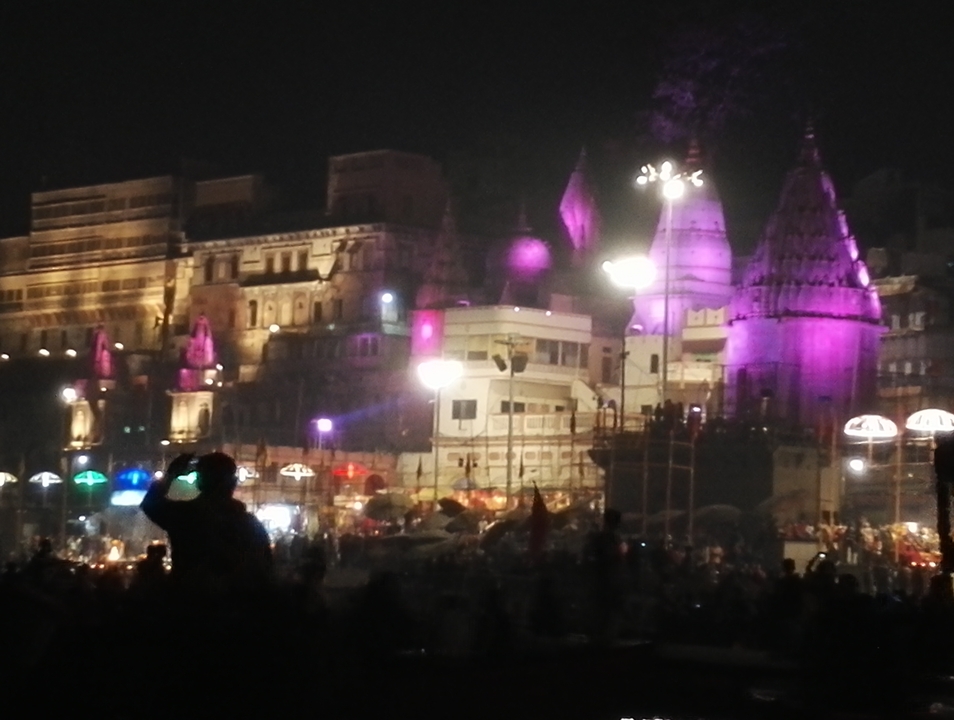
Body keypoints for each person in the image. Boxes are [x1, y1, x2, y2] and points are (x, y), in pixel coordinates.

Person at [140, 452, 273, 598]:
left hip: (188, 604)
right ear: (233, 483)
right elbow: (264, 571)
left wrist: (171, 475)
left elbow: (150, 504)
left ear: (199, 481)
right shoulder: (250, 525)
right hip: (235, 608)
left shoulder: (186, 516)